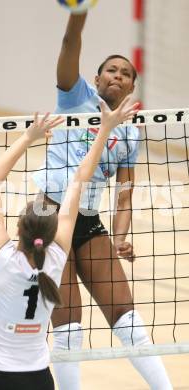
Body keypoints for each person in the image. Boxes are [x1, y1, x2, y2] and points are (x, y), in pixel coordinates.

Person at [32, 9, 173, 390]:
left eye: (126, 74)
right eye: (111, 70)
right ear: (96, 79)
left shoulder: (131, 132)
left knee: (128, 318)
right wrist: (78, 11)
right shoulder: (76, 97)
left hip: (88, 222)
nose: (118, 76)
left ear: (131, 89)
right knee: (69, 326)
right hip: (46, 218)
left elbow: (125, 193)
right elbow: (68, 45)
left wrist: (121, 234)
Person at [0, 99, 139, 390]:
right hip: (38, 378)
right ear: (52, 234)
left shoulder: (3, 258)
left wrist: (29, 136)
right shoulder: (56, 258)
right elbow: (79, 180)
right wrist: (106, 130)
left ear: (18, 227)